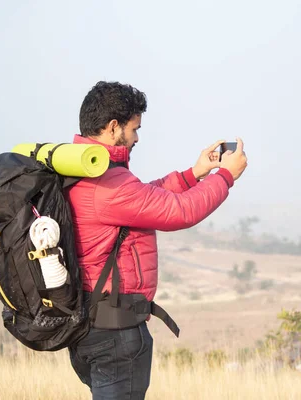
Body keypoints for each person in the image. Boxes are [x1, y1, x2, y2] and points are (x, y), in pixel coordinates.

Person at [65, 81, 247, 399]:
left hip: (91, 325)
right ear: (112, 127)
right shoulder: (106, 182)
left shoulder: (83, 170)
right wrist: (225, 176)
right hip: (115, 333)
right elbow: (180, 212)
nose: (137, 137)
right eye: (134, 128)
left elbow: (142, 198)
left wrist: (193, 175)